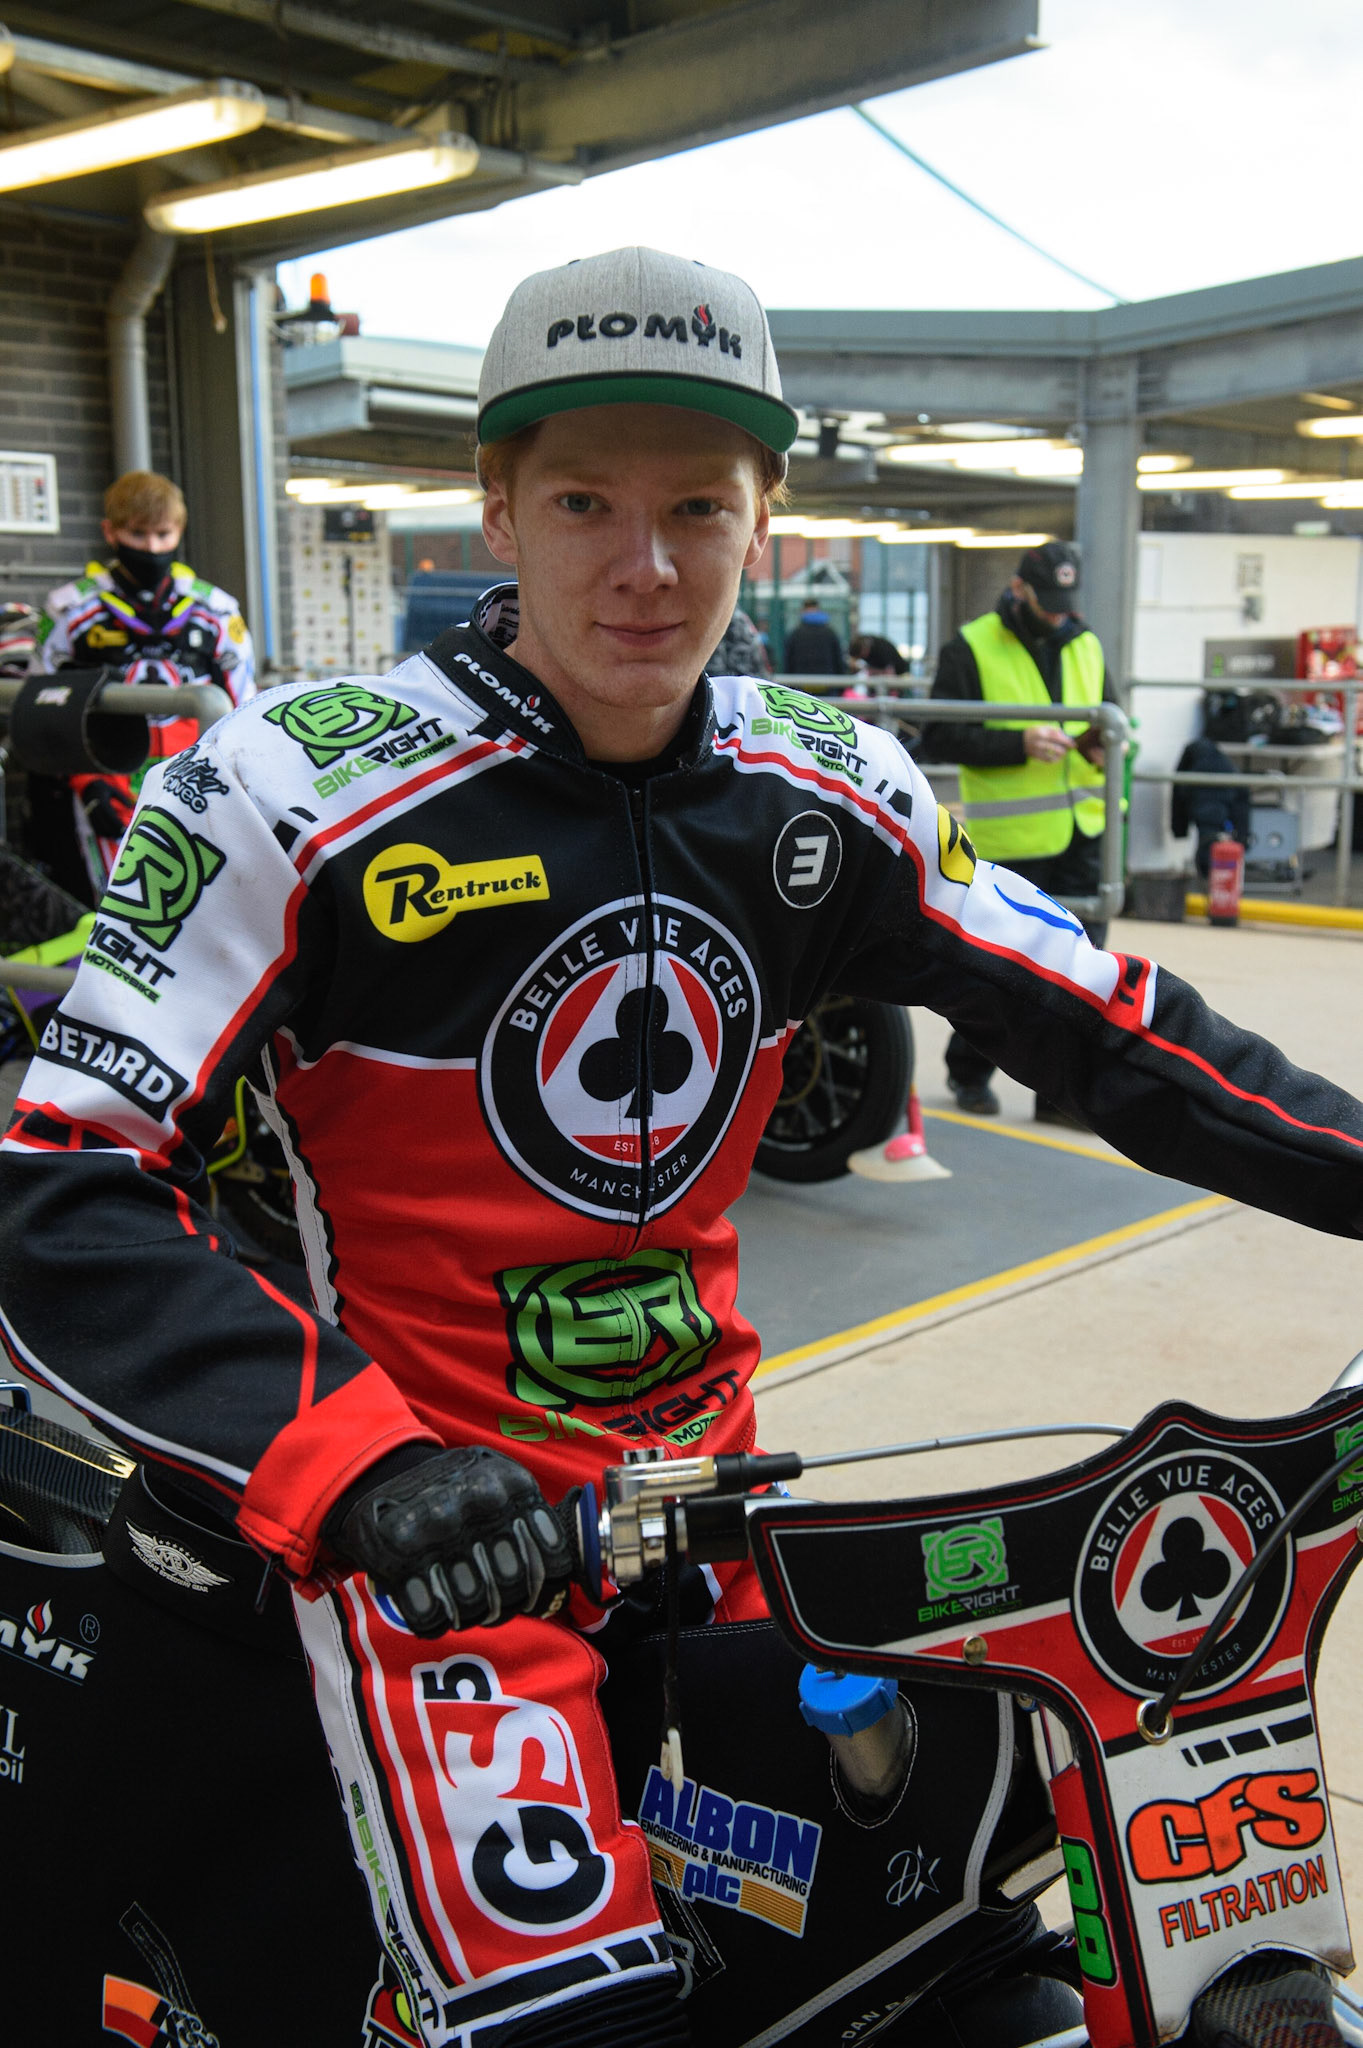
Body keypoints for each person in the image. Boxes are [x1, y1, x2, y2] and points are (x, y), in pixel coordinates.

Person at [4, 247, 1363, 2046]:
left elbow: (1112, 1028)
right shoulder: (282, 785)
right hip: (420, 1553)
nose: (642, 568)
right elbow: (58, 1179)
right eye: (581, 503)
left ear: (764, 515)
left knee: (943, 1940)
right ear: (495, 500)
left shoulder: (836, 784)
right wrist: (362, 1464)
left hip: (719, 1508)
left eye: (693, 510)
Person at [920, 540, 1112, 1119]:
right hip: (1015, 841)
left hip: (1085, 831)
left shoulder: (1087, 643)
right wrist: (1018, 743)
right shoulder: (973, 646)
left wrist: (1109, 749)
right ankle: (969, 1071)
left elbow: (1115, 719)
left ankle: (1058, 1095)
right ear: (1019, 587)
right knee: (1003, 974)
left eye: (1065, 601)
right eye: (1047, 600)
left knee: (1081, 976)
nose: (1058, 613)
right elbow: (940, 735)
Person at [34, 469, 255, 892]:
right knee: (118, 904)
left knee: (199, 897)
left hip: (195, 780)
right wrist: (87, 784)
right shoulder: (69, 608)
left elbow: (244, 702)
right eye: (138, 535)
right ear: (110, 532)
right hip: (106, 780)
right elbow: (46, 705)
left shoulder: (216, 609)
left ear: (179, 532)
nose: (152, 548)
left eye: (163, 534)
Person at [781, 596, 846, 674]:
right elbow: (838, 661)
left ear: (803, 610)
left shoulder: (795, 634)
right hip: (827, 680)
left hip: (800, 680)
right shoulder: (830, 633)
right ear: (818, 609)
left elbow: (788, 662)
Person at [706, 601, 771, 677]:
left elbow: (714, 668)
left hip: (735, 678)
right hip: (750, 678)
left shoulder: (726, 615)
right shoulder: (738, 617)